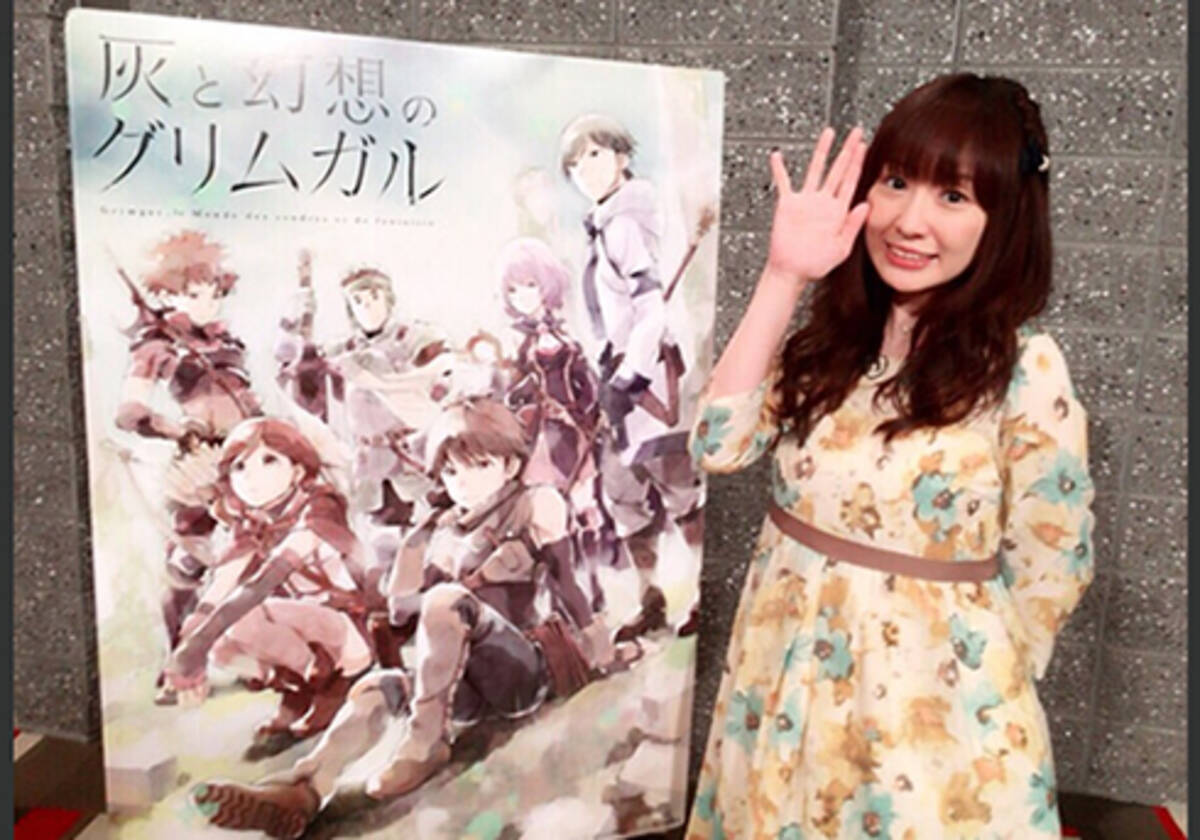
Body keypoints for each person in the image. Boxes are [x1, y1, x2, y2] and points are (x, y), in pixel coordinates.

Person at [684, 73, 1094, 838]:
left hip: (930, 717)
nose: (909, 220)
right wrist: (783, 275)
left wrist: (978, 682)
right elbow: (717, 443)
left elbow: (1052, 558)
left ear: (1004, 220)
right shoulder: (828, 345)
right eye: (898, 182)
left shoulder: (1023, 369)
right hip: (785, 685)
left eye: (953, 196)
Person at [190, 399, 636, 839]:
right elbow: (400, 608)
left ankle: (425, 745)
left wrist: (601, 647)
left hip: (521, 674)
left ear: (510, 465)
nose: (463, 482)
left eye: (479, 465)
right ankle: (301, 790)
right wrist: (423, 576)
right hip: (458, 689)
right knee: (374, 689)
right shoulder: (436, 530)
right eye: (452, 472)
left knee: (446, 599)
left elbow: (566, 583)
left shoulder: (535, 503)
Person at [560, 113, 705, 640]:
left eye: (594, 155)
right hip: (616, 379)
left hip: (647, 381)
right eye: (575, 163)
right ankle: (652, 599)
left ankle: (699, 597)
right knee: (622, 491)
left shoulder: (627, 224)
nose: (585, 169)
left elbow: (652, 311)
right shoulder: (603, 228)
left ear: (622, 157)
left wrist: (630, 378)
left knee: (677, 487)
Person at [113, 229, 263, 704]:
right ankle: (178, 664)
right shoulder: (157, 346)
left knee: (257, 557)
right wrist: (178, 430)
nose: (209, 303)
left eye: (215, 292)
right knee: (186, 563)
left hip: (247, 458)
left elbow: (248, 400)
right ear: (170, 293)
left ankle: (253, 654)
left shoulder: (228, 341)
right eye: (196, 293)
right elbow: (129, 412)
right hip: (198, 462)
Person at [162, 417, 376, 749]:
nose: (252, 478)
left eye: (269, 461)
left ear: (298, 470)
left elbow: (264, 581)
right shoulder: (252, 522)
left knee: (240, 619)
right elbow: (222, 585)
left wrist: (194, 646)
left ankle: (330, 682)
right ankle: (299, 685)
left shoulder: (319, 506)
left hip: (347, 632)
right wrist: (190, 640)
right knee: (221, 646)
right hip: (303, 630)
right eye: (239, 467)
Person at [497, 236, 610, 610]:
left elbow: (585, 381)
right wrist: (531, 401)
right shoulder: (511, 340)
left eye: (530, 285)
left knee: (584, 508)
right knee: (547, 515)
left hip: (573, 434)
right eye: (514, 289)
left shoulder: (563, 333)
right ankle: (556, 593)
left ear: (546, 284)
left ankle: (592, 584)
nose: (522, 296)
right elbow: (507, 392)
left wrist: (590, 411)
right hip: (537, 441)